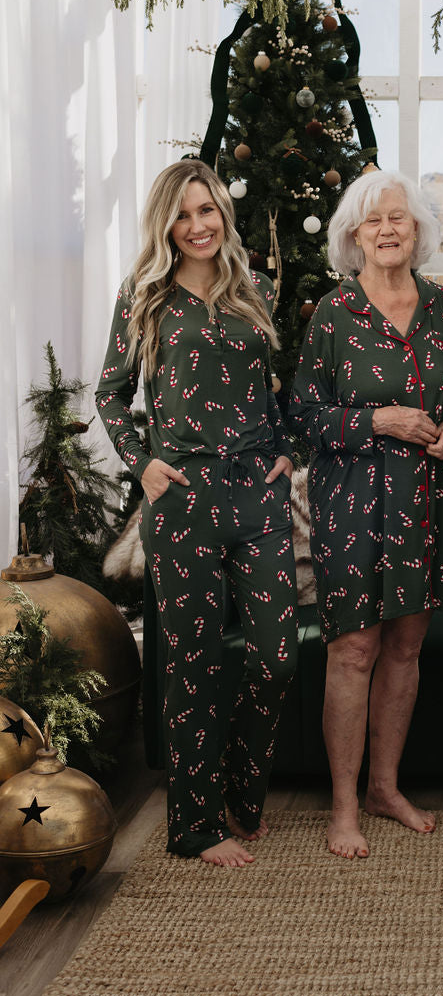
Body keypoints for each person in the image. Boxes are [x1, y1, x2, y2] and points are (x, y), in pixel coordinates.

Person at [95, 158, 298, 868]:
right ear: (166, 225)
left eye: (206, 210)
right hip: (182, 498)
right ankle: (195, 824)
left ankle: (243, 789)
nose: (197, 225)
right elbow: (111, 394)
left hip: (257, 493)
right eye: (183, 215)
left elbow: (285, 386)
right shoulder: (144, 298)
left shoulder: (258, 291)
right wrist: (141, 461)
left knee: (278, 653)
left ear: (223, 213)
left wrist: (286, 448)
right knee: (191, 662)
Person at [289, 170, 443, 860]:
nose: (388, 229)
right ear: (352, 236)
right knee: (353, 650)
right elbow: (304, 414)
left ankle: (385, 788)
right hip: (351, 504)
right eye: (373, 221)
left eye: (399, 217)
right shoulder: (334, 314)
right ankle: (342, 805)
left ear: (417, 230)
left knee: (405, 647)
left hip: (422, 503)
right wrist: (380, 418)